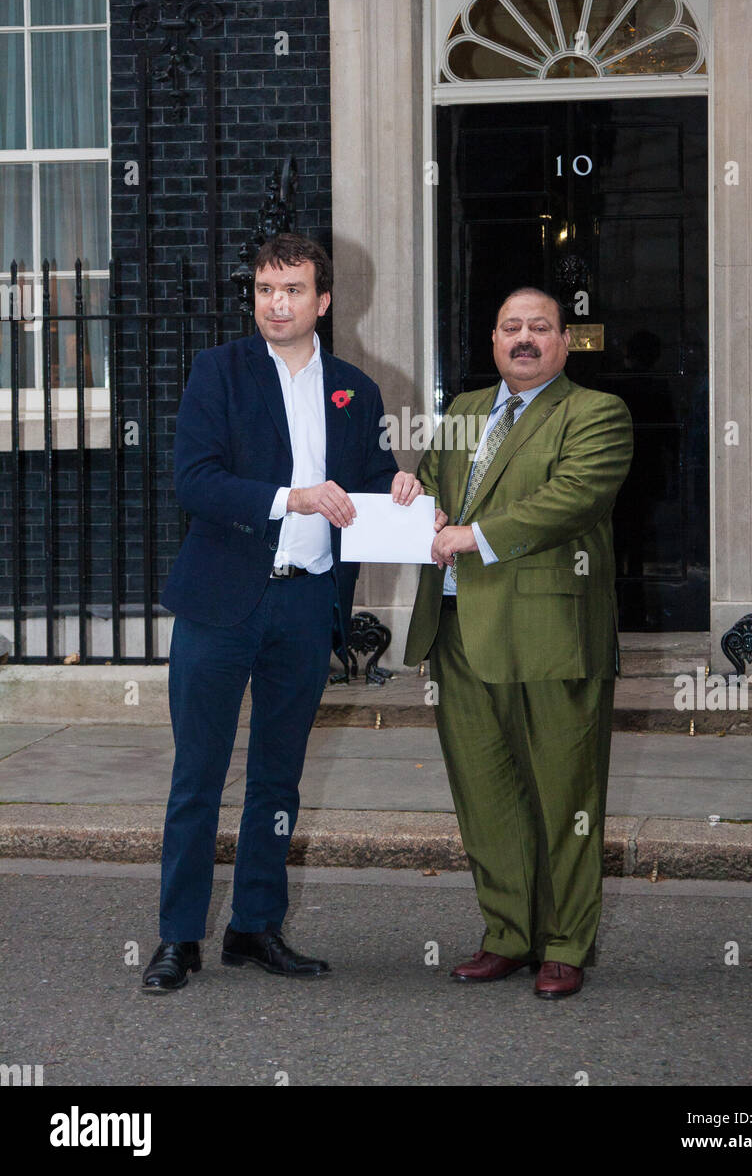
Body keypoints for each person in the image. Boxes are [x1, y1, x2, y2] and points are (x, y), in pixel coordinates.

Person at [143, 232, 421, 993]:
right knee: (198, 776)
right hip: (220, 604)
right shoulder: (218, 372)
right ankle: (177, 939)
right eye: (266, 290)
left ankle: (255, 927)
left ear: (322, 302)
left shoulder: (357, 390)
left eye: (292, 290)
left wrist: (397, 486)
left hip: (305, 603)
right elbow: (194, 483)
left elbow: (365, 485)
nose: (276, 303)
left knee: (277, 781)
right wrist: (286, 498)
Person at [404, 287, 633, 999]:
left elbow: (571, 499)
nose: (524, 339)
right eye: (511, 328)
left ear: (566, 341)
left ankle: (565, 943)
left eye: (540, 328)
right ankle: (507, 933)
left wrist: (475, 535)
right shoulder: (464, 411)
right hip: (456, 632)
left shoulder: (597, 414)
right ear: (494, 340)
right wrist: (414, 495)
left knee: (566, 794)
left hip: (550, 635)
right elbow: (433, 486)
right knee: (487, 796)